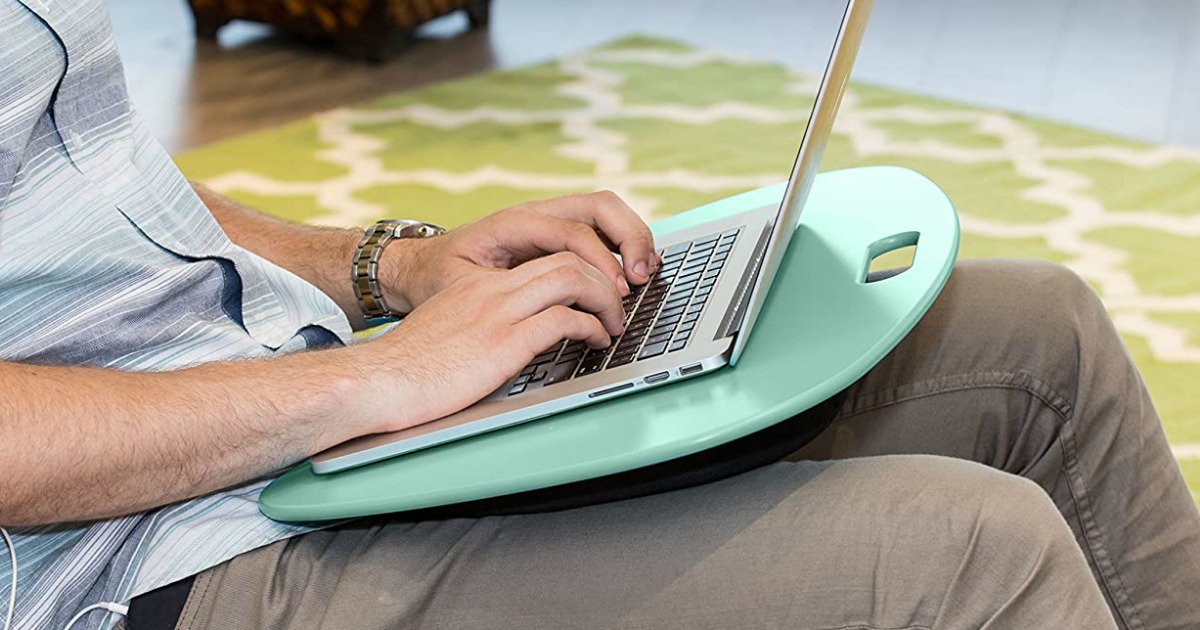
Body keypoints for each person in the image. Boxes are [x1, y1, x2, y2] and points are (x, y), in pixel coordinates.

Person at [1, 2, 1198, 629]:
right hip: (128, 572)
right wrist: (371, 382)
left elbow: (89, 186)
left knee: (1038, 335)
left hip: (275, 413)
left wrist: (389, 269)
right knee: (968, 549)